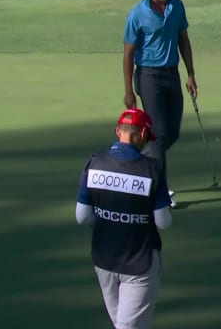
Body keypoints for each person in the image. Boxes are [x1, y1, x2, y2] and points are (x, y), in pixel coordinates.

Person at [76, 108, 173, 329]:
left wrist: (110, 222)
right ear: (143, 135)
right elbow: (163, 222)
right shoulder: (152, 169)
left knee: (123, 324)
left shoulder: (95, 163)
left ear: (118, 131)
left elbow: (82, 217)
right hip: (140, 263)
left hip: (104, 260)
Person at [123, 0, 198, 207]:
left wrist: (190, 73)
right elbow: (128, 54)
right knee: (160, 133)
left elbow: (183, 40)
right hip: (148, 76)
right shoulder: (136, 14)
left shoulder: (177, 7)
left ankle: (140, 169)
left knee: (171, 133)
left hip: (172, 75)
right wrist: (128, 92)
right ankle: (159, 193)